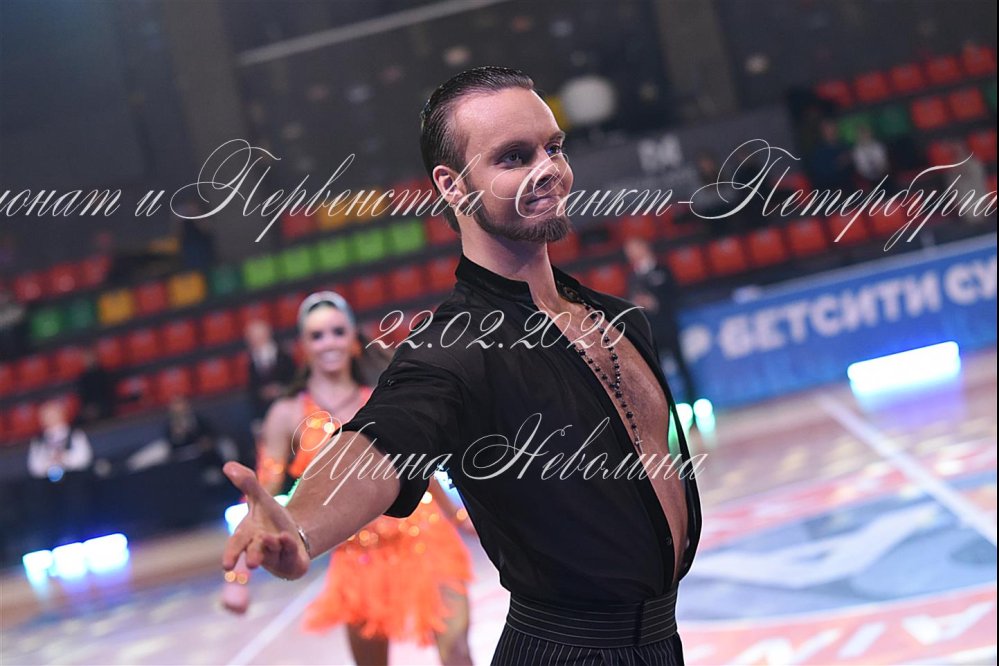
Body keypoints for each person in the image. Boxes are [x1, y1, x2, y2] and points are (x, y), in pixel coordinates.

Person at [223, 67, 702, 666]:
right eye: (513, 157)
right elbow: (381, 440)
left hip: (660, 643)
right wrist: (300, 526)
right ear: (453, 186)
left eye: (554, 147)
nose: (549, 169)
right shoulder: (452, 349)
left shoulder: (622, 320)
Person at [223, 292, 474, 666]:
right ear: (303, 345)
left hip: (424, 538)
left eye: (338, 331)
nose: (329, 343)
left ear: (354, 338)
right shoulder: (286, 415)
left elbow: (417, 469)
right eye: (317, 335)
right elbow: (262, 494)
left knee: (457, 652)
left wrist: (458, 517)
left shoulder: (385, 396)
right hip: (357, 557)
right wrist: (238, 575)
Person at [623, 237, 699, 405]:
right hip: (649, 332)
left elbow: (675, 296)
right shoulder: (632, 277)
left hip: (668, 327)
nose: (631, 255)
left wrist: (656, 303)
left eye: (634, 250)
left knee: (681, 367)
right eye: (628, 252)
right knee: (657, 374)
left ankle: (693, 405)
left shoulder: (663, 270)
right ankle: (667, 409)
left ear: (644, 248)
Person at [244, 318, 297, 429]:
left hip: (289, 406)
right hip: (265, 412)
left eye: (259, 336)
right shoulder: (251, 363)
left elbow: (295, 380)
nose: (256, 340)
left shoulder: (284, 356)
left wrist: (281, 389)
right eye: (252, 337)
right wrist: (263, 393)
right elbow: (252, 391)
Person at [75, 348, 116, 424]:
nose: (87, 360)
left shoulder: (103, 374)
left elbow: (109, 393)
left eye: (89, 358)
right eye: (85, 358)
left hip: (104, 405)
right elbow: (83, 397)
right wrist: (89, 408)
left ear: (95, 358)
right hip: (89, 407)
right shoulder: (82, 377)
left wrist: (97, 407)